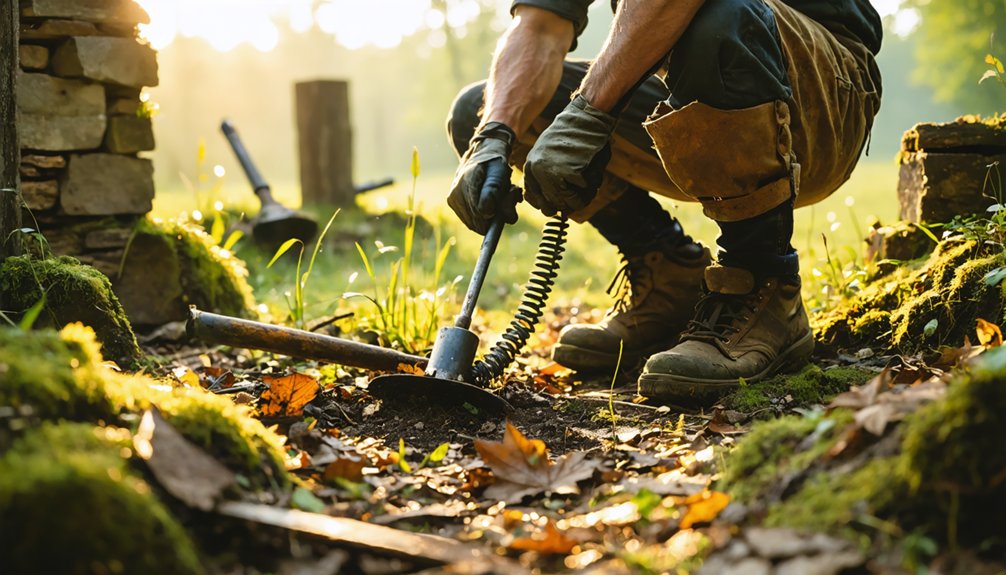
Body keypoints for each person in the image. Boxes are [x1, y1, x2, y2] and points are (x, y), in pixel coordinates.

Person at [446, 0, 882, 404]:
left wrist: (588, 113)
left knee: (717, 16)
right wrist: (492, 136)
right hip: (694, 77)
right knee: (486, 109)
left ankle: (763, 284)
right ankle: (669, 274)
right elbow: (539, 27)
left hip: (823, 88)